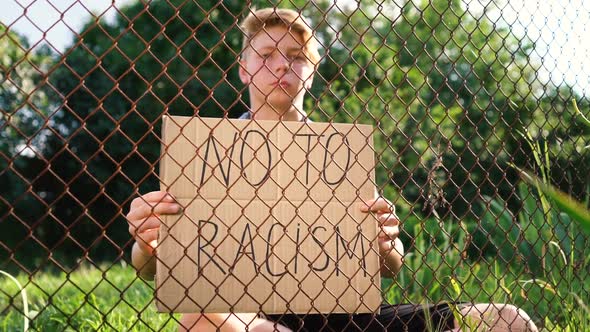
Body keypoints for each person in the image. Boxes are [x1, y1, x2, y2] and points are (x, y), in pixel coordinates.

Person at [126, 7, 538, 332]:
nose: (281, 66)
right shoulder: (205, 150)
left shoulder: (340, 155)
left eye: (295, 57)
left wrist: (385, 240)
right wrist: (148, 243)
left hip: (347, 315)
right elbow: (149, 269)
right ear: (243, 68)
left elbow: (390, 266)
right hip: (248, 314)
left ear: (312, 70)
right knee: (201, 321)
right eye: (267, 55)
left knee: (509, 321)